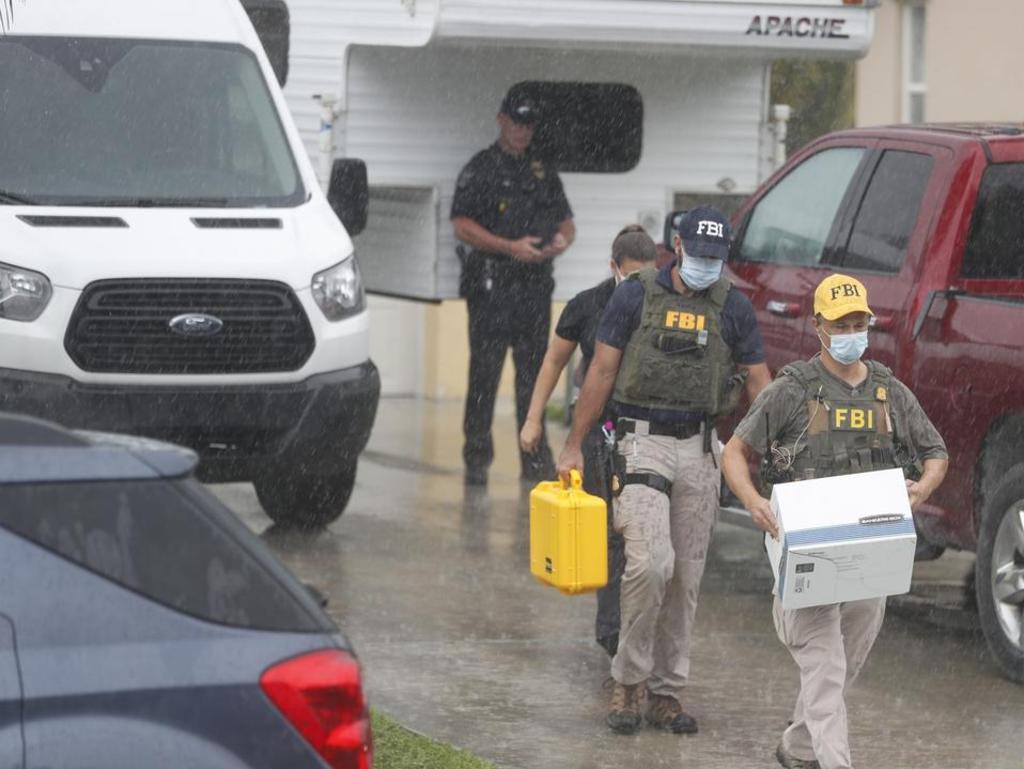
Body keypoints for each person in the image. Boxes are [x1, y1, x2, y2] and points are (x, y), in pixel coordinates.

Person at [556, 206, 771, 735]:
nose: (705, 266)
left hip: (700, 447)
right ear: (676, 247)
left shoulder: (734, 308)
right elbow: (602, 370)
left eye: (715, 259)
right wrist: (574, 443)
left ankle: (667, 691)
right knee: (651, 564)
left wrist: (772, 449)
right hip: (640, 442)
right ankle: (628, 681)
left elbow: (760, 385)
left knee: (687, 578)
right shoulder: (635, 295)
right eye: (697, 255)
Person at [721, 273, 948, 769]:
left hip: (870, 552)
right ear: (820, 326)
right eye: (841, 322)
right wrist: (754, 500)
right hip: (806, 548)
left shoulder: (889, 391)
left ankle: (797, 747)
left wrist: (923, 487)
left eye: (859, 321)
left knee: (844, 665)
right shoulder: (793, 389)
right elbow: (735, 452)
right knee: (826, 667)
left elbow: (936, 453)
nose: (852, 330)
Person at [520, 224, 658, 658]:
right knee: (611, 535)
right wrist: (533, 419)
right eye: (630, 275)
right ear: (613, 267)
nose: (637, 285)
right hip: (601, 431)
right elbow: (553, 361)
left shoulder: (664, 304)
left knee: (646, 541)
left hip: (650, 431)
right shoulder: (587, 306)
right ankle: (612, 632)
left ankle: (640, 631)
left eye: (645, 276)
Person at [451, 88, 576, 487]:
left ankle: (534, 459)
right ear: (501, 120)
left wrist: (560, 241)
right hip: (491, 286)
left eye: (528, 125)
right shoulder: (481, 168)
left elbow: (567, 223)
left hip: (534, 288)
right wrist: (509, 247)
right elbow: (462, 225)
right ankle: (476, 460)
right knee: (485, 377)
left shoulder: (542, 170)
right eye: (516, 123)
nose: (522, 131)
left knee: (534, 376)